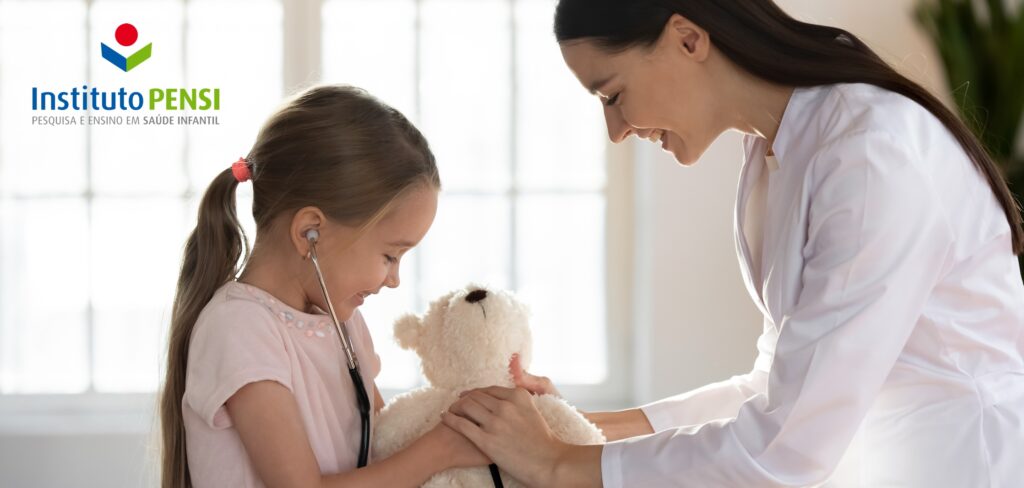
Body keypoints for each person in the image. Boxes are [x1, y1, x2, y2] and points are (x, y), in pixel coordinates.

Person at [444, 1, 1024, 486]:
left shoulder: (872, 152)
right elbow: (775, 385)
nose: (616, 131)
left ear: (688, 39)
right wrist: (577, 427)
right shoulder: (774, 151)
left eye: (612, 94)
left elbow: (786, 445)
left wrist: (556, 463)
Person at [159, 85, 488, 487]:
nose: (394, 279)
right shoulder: (239, 328)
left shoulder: (341, 323)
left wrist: (472, 412)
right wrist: (443, 448)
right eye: (389, 255)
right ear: (310, 232)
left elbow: (387, 446)